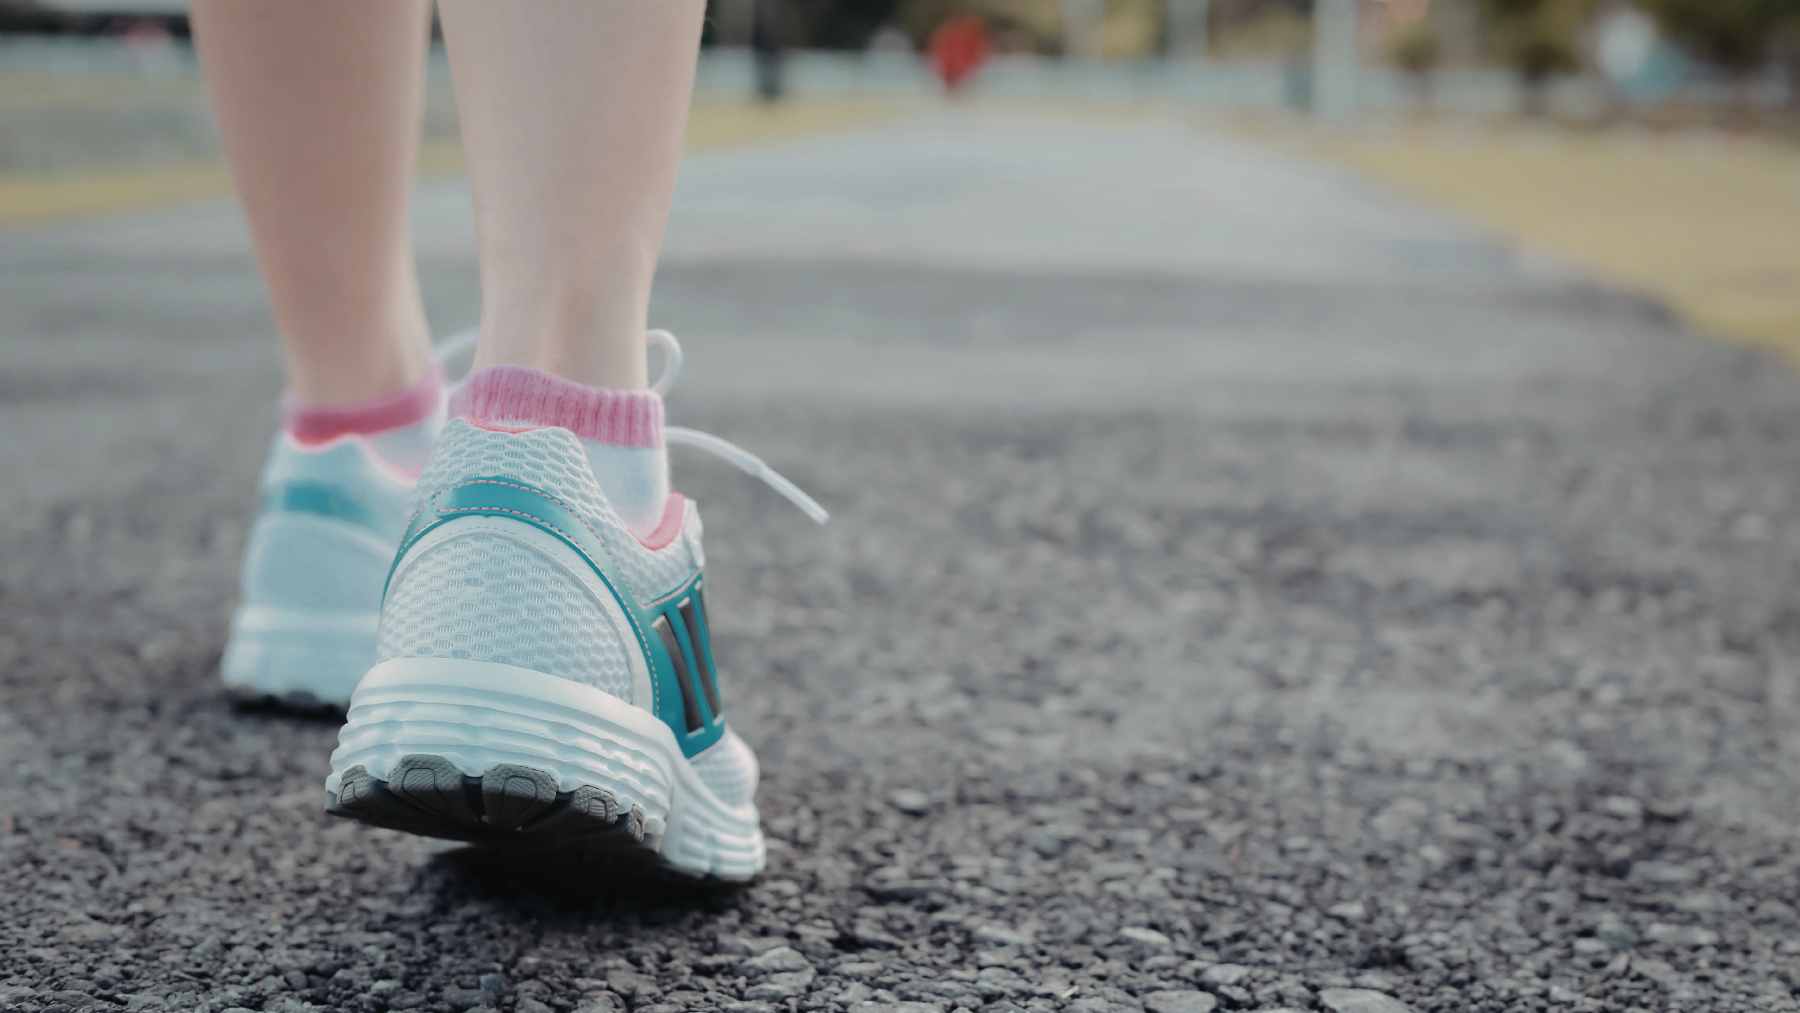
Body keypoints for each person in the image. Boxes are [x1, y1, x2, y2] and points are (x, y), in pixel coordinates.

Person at [194, 0, 822, 881]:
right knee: (553, 372)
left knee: (358, 385)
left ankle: (353, 427)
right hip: (572, 576)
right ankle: (570, 436)